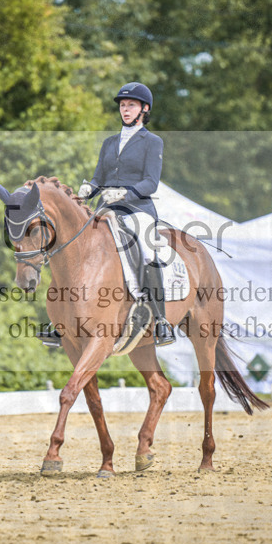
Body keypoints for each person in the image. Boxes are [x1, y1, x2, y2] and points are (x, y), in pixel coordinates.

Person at [77, 82, 176, 346]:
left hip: (137, 208)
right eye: (122, 105)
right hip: (106, 207)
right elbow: (99, 177)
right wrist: (88, 189)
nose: (125, 109)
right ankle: (61, 318)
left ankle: (161, 319)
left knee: (146, 250)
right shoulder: (109, 143)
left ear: (144, 109)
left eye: (131, 105)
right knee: (75, 244)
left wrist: (124, 192)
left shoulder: (152, 141)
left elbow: (150, 182)